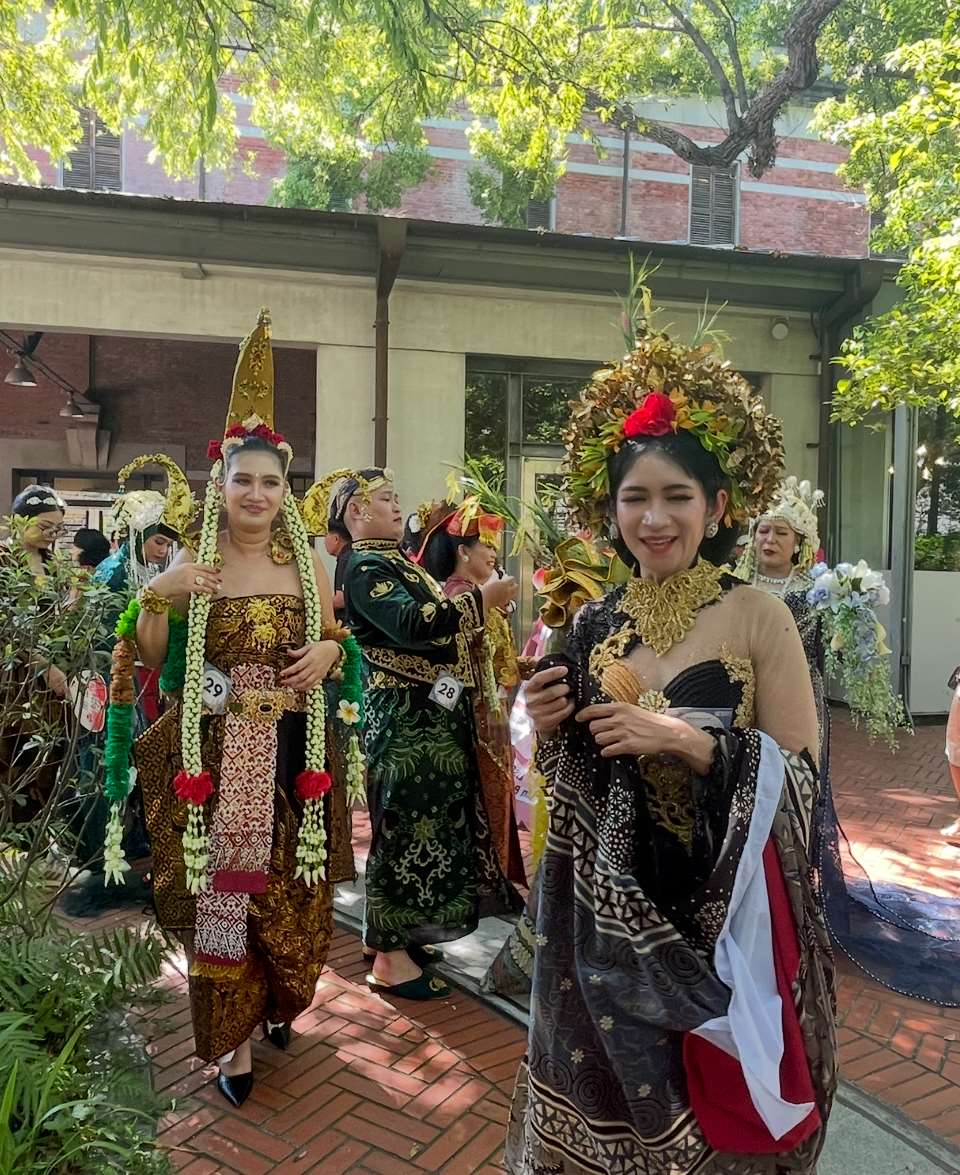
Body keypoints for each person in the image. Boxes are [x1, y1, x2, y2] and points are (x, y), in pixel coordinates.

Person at [506, 332, 836, 1175]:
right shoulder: (589, 623)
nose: (654, 518)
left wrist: (689, 742)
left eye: (677, 496)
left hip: (724, 919)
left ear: (717, 506)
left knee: (718, 1123)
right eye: (635, 498)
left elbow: (801, 780)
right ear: (610, 511)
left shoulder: (760, 615)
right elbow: (575, 786)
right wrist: (550, 729)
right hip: (607, 930)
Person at [131, 310, 353, 1107]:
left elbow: (340, 646)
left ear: (284, 489)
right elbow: (155, 656)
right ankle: (229, 1039)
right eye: (243, 479)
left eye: (272, 481)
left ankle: (274, 1001)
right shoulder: (199, 564)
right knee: (228, 892)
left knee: (292, 887)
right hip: (222, 764)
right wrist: (157, 594)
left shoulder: (308, 568)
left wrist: (333, 653)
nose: (258, 493)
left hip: (294, 755)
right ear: (219, 485)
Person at [740, 480, 960, 1007]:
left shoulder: (817, 592)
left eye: (781, 533)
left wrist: (848, 613)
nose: (769, 540)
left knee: (799, 798)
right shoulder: (734, 588)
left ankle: (798, 901)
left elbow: (829, 656)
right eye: (762, 530)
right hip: (747, 709)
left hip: (799, 708)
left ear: (800, 542)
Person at [317, 468, 522, 1000]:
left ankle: (396, 934)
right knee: (405, 827)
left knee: (427, 822)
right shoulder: (364, 566)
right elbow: (415, 624)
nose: (395, 505)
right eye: (385, 499)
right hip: (405, 718)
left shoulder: (394, 562)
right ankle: (388, 956)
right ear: (356, 512)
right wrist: (482, 599)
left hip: (428, 713)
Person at [417, 499, 526, 887]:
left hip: (489, 711)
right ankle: (485, 882)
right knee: (486, 797)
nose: (494, 553)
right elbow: (457, 668)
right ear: (463, 552)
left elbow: (500, 661)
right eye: (486, 546)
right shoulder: (459, 600)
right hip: (479, 717)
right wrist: (480, 711)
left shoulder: (480, 598)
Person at [324, 517, 352, 623]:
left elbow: (341, 600)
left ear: (336, 539)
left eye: (325, 536)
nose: (324, 541)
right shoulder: (352, 554)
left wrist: (318, 608)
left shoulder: (345, 558)